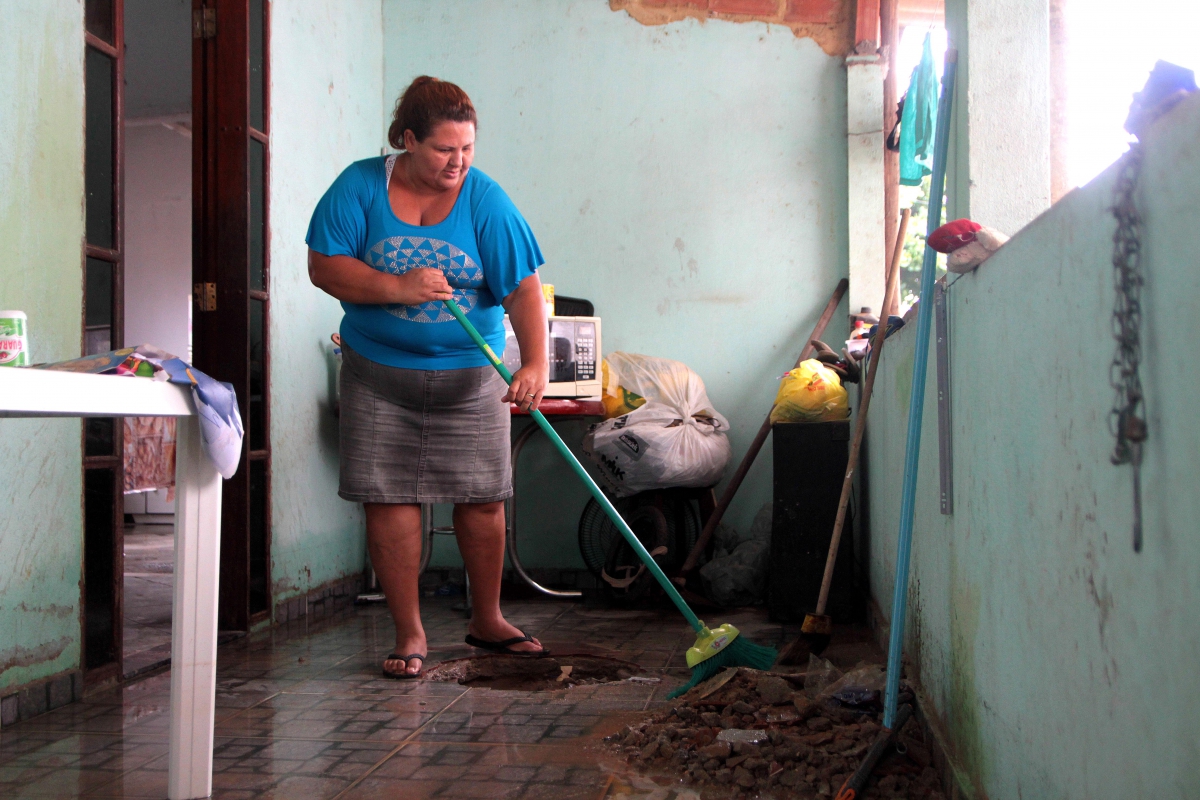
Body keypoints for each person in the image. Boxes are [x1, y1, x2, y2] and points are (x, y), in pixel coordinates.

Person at [306, 76, 549, 678]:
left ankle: (487, 619)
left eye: (467, 148)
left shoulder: (485, 200)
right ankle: (409, 633)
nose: (458, 162)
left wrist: (537, 364)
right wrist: (397, 287)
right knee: (389, 497)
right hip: (377, 377)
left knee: (482, 498)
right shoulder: (360, 186)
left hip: (471, 381)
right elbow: (323, 266)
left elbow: (522, 289)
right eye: (445, 149)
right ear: (407, 140)